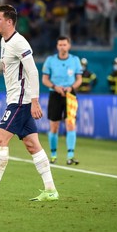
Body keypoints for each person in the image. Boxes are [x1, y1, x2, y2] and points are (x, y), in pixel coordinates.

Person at [0, 4, 58, 202]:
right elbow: (4, 63)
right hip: (17, 100)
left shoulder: (20, 43)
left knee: (0, 139)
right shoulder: (4, 41)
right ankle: (50, 190)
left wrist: (35, 101)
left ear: (9, 21)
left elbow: (33, 71)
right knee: (33, 145)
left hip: (21, 102)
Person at [42, 35, 83, 165]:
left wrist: (71, 87)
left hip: (70, 95)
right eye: (60, 45)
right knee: (54, 126)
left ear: (69, 46)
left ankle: (70, 155)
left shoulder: (75, 60)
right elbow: (45, 79)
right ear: (57, 46)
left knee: (70, 123)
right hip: (55, 94)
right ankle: (53, 155)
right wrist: (54, 86)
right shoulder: (50, 60)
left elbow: (79, 79)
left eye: (64, 44)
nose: (62, 47)